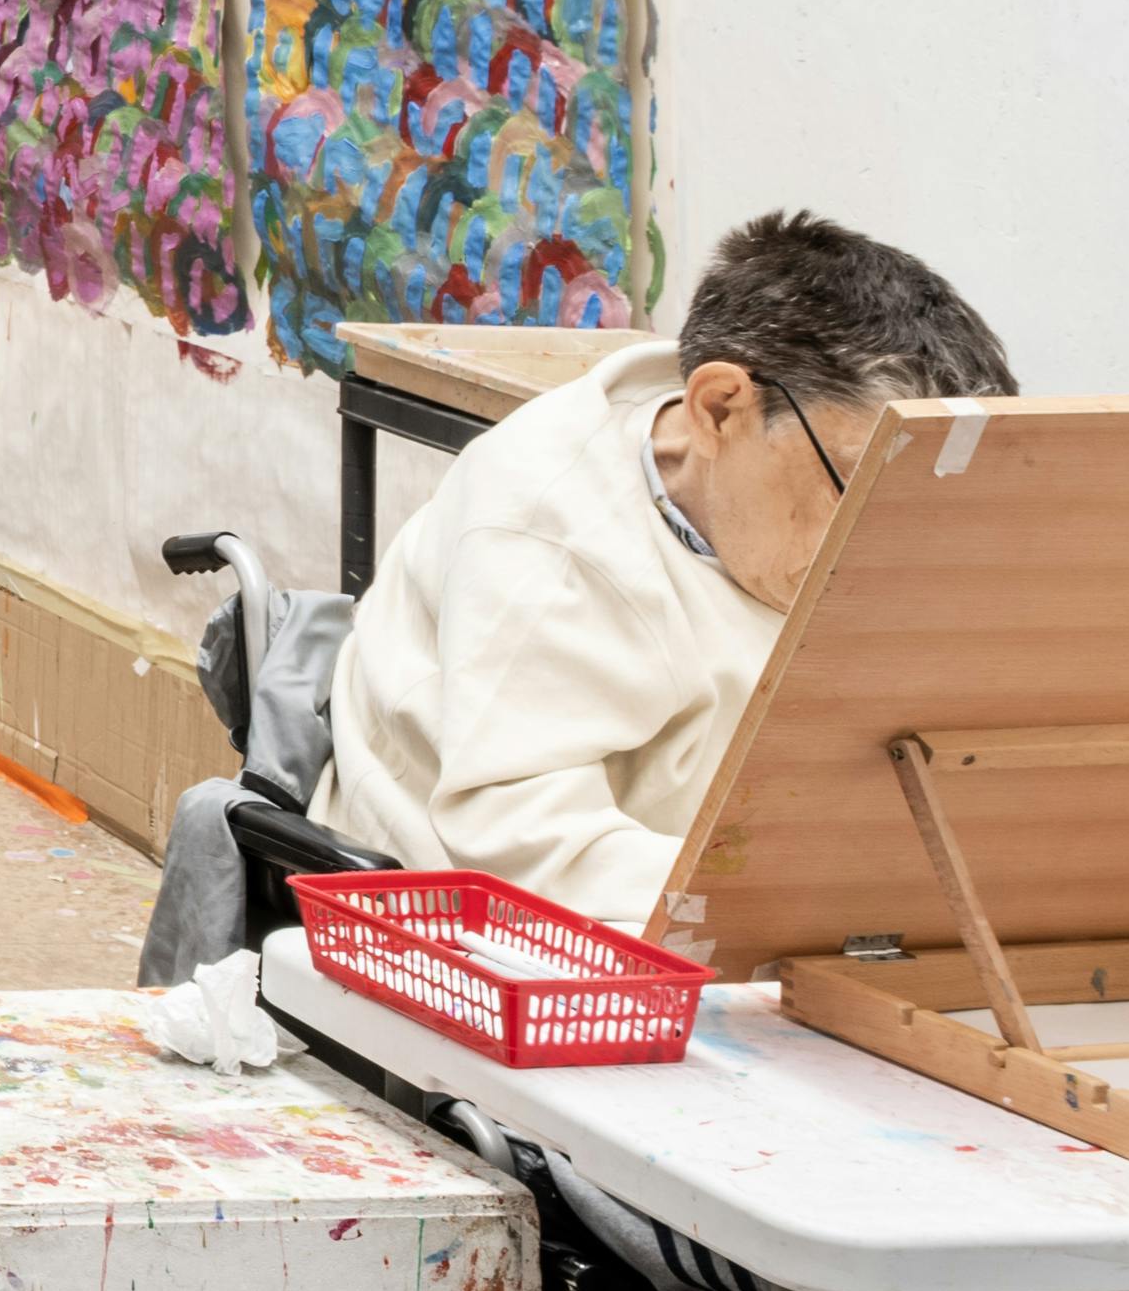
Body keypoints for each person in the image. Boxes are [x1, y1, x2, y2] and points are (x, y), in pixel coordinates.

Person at [320, 209, 1015, 925]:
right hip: (460, 919)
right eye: (856, 484)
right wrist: (827, 892)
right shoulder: (551, 531)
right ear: (719, 408)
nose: (886, 548)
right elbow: (522, 850)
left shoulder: (776, 496)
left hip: (731, 894)